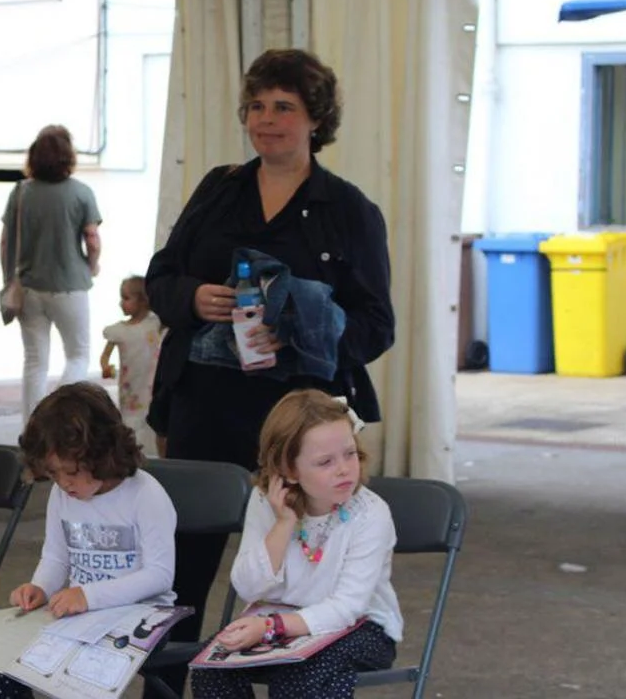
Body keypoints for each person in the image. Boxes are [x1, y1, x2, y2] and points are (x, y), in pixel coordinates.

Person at [143, 48, 395, 697]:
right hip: (202, 408)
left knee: (298, 570)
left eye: (284, 106)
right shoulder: (217, 189)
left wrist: (308, 331)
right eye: (256, 105)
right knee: (182, 575)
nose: (266, 119)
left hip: (296, 424)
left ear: (316, 119)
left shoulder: (349, 210)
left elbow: (376, 325)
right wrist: (192, 297)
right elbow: (161, 276)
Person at [189, 389, 401, 698]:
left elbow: (348, 606)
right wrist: (284, 523)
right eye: (325, 462)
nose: (344, 468)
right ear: (289, 469)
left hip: (362, 627)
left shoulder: (370, 513)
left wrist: (272, 627)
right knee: (212, 669)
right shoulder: (266, 501)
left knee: (302, 676)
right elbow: (248, 588)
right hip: (277, 618)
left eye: (350, 453)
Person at [0, 381, 176, 698]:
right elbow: (56, 557)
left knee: (83, 670)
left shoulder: (145, 495)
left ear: (103, 455)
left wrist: (89, 596)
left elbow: (159, 575)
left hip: (142, 616)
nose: (63, 483)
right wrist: (41, 588)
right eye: (53, 473)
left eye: (71, 472)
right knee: (4, 659)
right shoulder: (62, 495)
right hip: (81, 617)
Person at [1, 125, 102, 422]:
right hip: (71, 287)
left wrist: (8, 278)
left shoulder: (20, 192)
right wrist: (92, 265)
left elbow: (5, 241)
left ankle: (32, 428)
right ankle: (59, 416)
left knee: (35, 361)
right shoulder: (81, 193)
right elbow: (92, 238)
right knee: (78, 355)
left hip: (29, 288)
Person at [101, 275, 164, 456]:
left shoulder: (155, 323)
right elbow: (105, 355)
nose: (121, 303)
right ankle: (131, 452)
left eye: (126, 298)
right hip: (130, 387)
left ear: (143, 300)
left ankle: (151, 453)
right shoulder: (118, 331)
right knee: (130, 419)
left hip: (151, 384)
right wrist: (105, 366)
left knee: (150, 417)